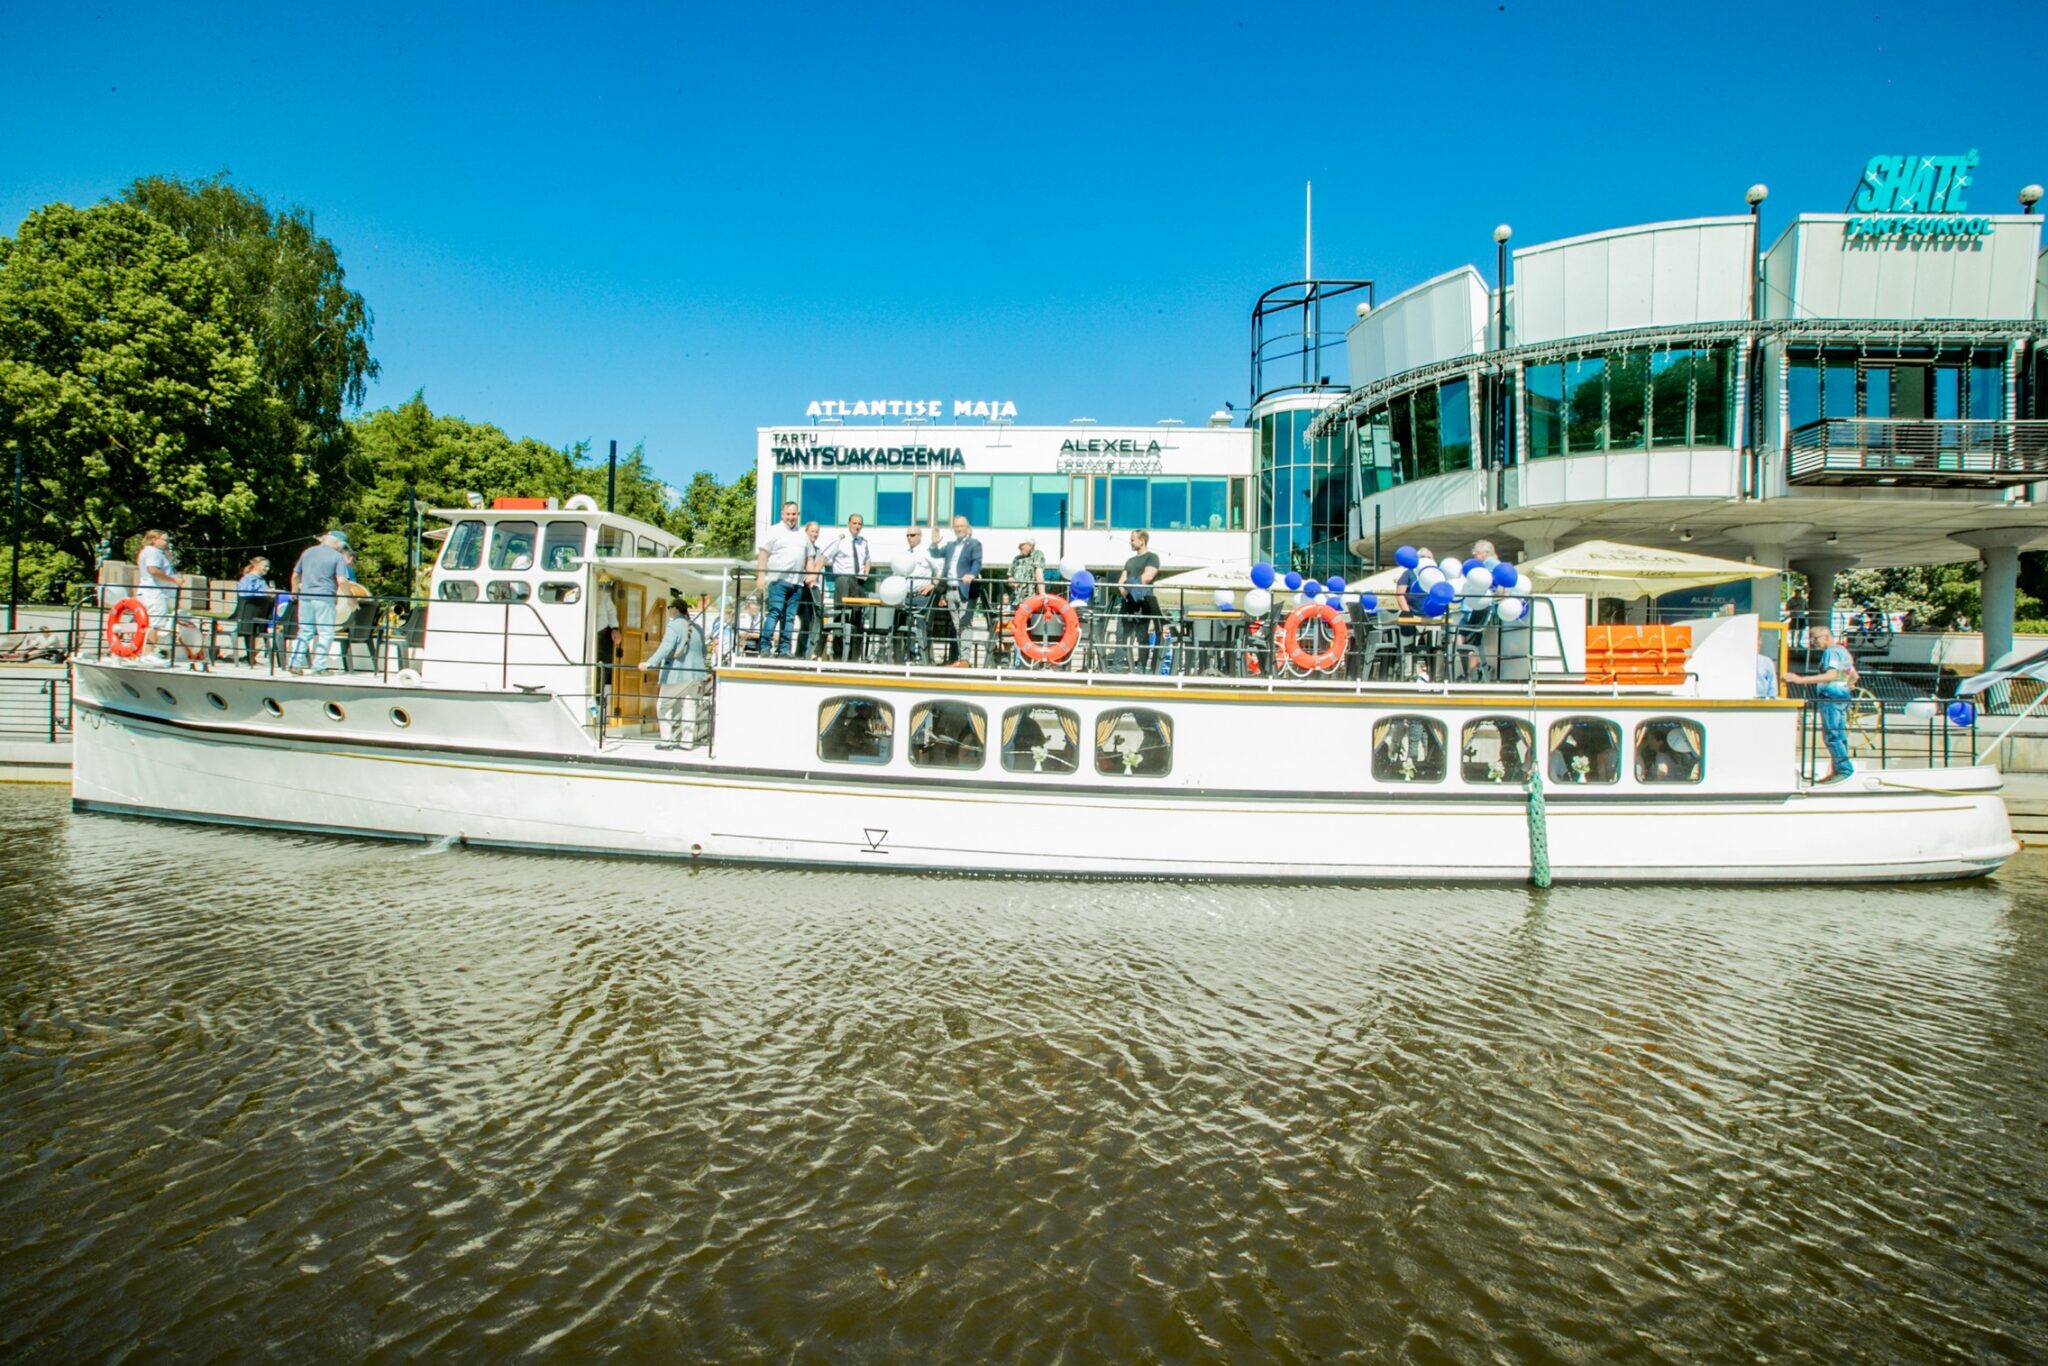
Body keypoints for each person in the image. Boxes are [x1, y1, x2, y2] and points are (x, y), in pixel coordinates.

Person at [1786, 625, 1859, 783]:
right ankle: (1838, 768)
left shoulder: (1831, 652)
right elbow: (1853, 675)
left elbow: (1831, 674)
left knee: (1832, 735)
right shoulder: (1843, 651)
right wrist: (1846, 686)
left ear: (1826, 637)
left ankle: (1844, 770)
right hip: (1843, 697)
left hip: (1831, 697)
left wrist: (1800, 680)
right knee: (1840, 735)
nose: (1813, 643)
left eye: (1815, 639)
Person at [638, 597, 711, 749]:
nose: (668, 610)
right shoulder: (697, 627)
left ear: (675, 609)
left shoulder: (674, 626)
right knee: (689, 706)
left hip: (677, 674)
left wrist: (649, 663)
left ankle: (666, 741)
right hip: (696, 674)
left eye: (669, 607)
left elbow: (665, 648)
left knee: (663, 705)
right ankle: (686, 742)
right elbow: (703, 651)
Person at [288, 530, 350, 673]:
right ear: (337, 543)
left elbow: (295, 575)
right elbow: (342, 580)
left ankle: (294, 664)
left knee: (304, 631)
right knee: (326, 633)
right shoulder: (337, 557)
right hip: (324, 597)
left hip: (305, 597)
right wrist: (350, 599)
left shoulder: (308, 552)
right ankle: (319, 667)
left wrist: (294, 592)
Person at [754, 501, 808, 656]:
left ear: (798, 515)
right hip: (778, 581)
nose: (791, 517)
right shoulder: (774, 531)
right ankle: (764, 647)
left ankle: (784, 650)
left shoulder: (802, 534)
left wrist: (811, 576)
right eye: (788, 514)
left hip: (796, 582)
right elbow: (763, 554)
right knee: (775, 612)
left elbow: (809, 557)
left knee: (789, 618)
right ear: (782, 514)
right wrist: (761, 576)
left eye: (794, 514)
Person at [818, 514, 871, 659]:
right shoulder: (839, 540)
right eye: (854, 523)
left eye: (860, 524)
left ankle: (854, 657)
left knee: (857, 618)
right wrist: (813, 574)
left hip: (858, 582)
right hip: (843, 580)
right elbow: (824, 556)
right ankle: (839, 654)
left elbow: (867, 560)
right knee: (841, 617)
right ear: (849, 524)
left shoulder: (863, 542)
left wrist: (866, 573)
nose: (857, 526)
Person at [932, 516, 983, 665]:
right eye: (956, 526)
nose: (959, 529)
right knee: (957, 625)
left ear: (967, 528)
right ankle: (959, 658)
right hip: (950, 590)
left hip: (966, 589)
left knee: (965, 624)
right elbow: (935, 554)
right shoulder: (950, 546)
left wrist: (972, 574)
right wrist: (934, 544)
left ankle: (965, 660)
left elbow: (977, 562)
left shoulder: (974, 544)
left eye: (962, 526)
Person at [134, 529, 183, 661]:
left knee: (149, 622)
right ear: (155, 539)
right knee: (155, 623)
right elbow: (153, 570)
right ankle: (148, 653)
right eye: (165, 540)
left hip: (148, 590)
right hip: (155, 592)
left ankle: (143, 652)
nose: (167, 543)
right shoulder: (153, 552)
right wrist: (174, 580)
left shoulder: (150, 552)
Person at [1117, 529, 1161, 673]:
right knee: (1121, 635)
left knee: (1142, 637)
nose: (1130, 542)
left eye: (1132, 539)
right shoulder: (1129, 561)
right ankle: (1117, 667)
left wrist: (1128, 585)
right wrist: (1125, 590)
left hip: (1143, 603)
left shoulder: (1152, 557)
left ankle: (1141, 667)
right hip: (1127, 603)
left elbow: (1148, 577)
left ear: (1142, 540)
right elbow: (1121, 581)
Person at [234, 556, 275, 665]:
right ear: (256, 566)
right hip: (247, 615)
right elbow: (244, 594)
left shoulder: (262, 581)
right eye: (265, 566)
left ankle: (250, 656)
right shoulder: (247, 579)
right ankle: (250, 656)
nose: (267, 569)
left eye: (268, 567)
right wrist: (264, 594)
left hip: (260, 615)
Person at [796, 520, 825, 658]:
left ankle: (808, 652)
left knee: (814, 620)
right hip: (803, 588)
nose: (815, 534)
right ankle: (799, 652)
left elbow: (821, 571)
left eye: (816, 531)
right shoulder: (800, 547)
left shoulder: (819, 551)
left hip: (814, 590)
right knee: (803, 620)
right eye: (812, 531)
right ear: (806, 532)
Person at [1007, 538, 1046, 610]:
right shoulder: (1017, 558)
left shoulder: (1037, 554)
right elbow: (1010, 577)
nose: (1019, 548)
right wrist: (1011, 582)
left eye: (1021, 545)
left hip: (1030, 597)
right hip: (1015, 599)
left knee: (1029, 619)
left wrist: (1042, 594)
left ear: (1030, 545)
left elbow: (1038, 572)